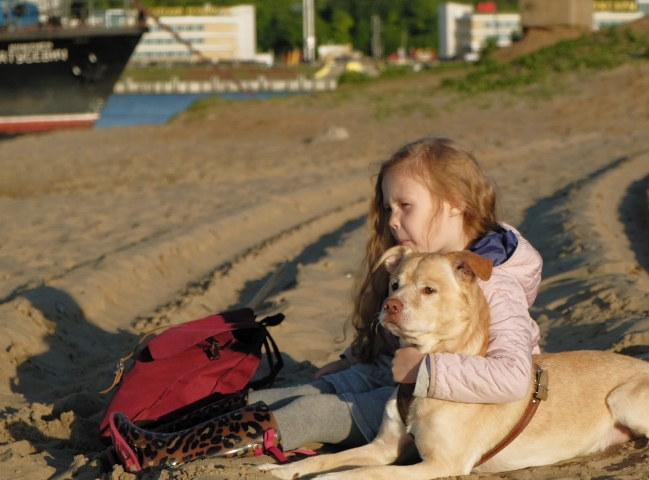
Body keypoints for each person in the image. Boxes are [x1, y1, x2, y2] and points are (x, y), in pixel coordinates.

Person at [109, 137, 543, 470]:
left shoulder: (494, 283)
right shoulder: (413, 265)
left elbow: (513, 376)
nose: (393, 219)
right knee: (299, 391)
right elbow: (395, 328)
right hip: (400, 377)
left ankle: (165, 452)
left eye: (406, 205)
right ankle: (163, 428)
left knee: (318, 410)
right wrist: (352, 358)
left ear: (455, 205)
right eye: (388, 206)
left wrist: (423, 371)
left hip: (453, 405)